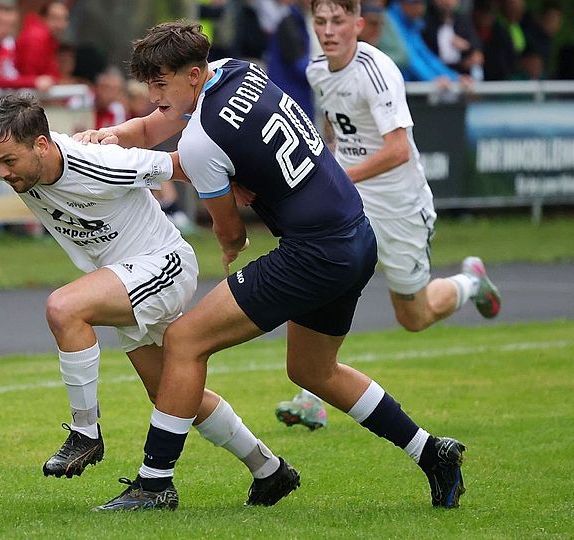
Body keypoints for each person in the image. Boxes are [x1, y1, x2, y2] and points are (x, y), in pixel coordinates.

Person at [75, 19, 466, 511]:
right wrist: (117, 135)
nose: (154, 95)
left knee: (184, 340)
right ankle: (433, 453)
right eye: (149, 84)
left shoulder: (200, 140)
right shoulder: (239, 71)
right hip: (355, 235)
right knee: (312, 369)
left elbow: (230, 229)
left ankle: (154, 483)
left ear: (193, 75)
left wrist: (225, 230)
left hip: (315, 251)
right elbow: (163, 125)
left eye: (161, 84)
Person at [0, 94, 293, 504]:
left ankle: (86, 434)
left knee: (64, 307)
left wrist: (240, 186)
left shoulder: (100, 163)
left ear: (41, 144)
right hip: (124, 278)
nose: (1, 173)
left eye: (9, 162)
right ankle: (268, 470)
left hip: (163, 265)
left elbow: (181, 164)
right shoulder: (7, 154)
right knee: (172, 392)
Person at [277, 0, 504, 431]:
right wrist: (327, 169)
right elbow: (332, 130)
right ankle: (311, 396)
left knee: (412, 317)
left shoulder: (376, 71)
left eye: (338, 21)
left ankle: (470, 281)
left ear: (358, 25)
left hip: (400, 204)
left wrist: (342, 178)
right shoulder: (316, 70)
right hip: (351, 202)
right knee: (321, 277)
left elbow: (398, 149)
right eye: (320, 21)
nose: (328, 30)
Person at [0, 4, 55, 91]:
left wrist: (34, 81)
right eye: (1, 23)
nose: (5, 29)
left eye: (10, 25)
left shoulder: (8, 41)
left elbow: (11, 76)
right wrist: (32, 82)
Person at [16, 0, 69, 80]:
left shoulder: (49, 40)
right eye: (55, 18)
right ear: (43, 18)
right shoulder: (36, 38)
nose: (60, 25)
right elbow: (29, 75)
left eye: (63, 19)